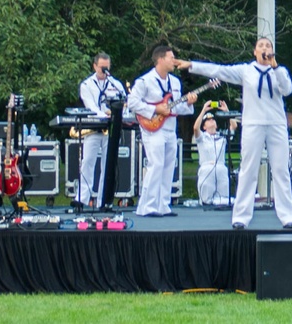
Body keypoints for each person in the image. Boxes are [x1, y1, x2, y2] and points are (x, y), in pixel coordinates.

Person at [178, 37, 292, 230]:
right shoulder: (246, 70)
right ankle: (241, 216)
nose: (265, 48)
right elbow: (219, 70)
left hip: (276, 123)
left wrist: (275, 67)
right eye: (261, 46)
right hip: (253, 124)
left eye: (268, 46)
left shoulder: (280, 71)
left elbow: (287, 90)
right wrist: (192, 65)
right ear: (254, 51)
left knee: (280, 170)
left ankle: (288, 216)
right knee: (248, 170)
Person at [127, 42, 199, 217]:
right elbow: (132, 102)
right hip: (152, 127)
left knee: (168, 166)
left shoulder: (175, 82)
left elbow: (174, 108)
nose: (174, 61)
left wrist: (188, 104)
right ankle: (148, 206)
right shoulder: (145, 81)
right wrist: (154, 110)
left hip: (169, 128)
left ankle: (163, 205)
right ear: (160, 59)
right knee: (156, 164)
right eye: (171, 57)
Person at [76, 51, 126, 207]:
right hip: (94, 127)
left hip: (110, 129)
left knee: (108, 164)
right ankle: (82, 199)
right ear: (94, 66)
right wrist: (105, 115)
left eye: (107, 68)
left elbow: (124, 102)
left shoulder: (115, 84)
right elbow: (91, 106)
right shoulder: (86, 85)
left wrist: (117, 114)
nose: (104, 71)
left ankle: (103, 201)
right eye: (101, 68)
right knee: (88, 162)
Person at [192, 99, 238, 206]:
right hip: (207, 168)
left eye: (213, 119)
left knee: (224, 200)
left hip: (221, 169)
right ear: (204, 126)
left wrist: (226, 111)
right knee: (206, 200)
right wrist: (203, 110)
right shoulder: (202, 137)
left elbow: (234, 126)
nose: (211, 120)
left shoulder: (222, 136)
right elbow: (195, 128)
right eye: (208, 120)